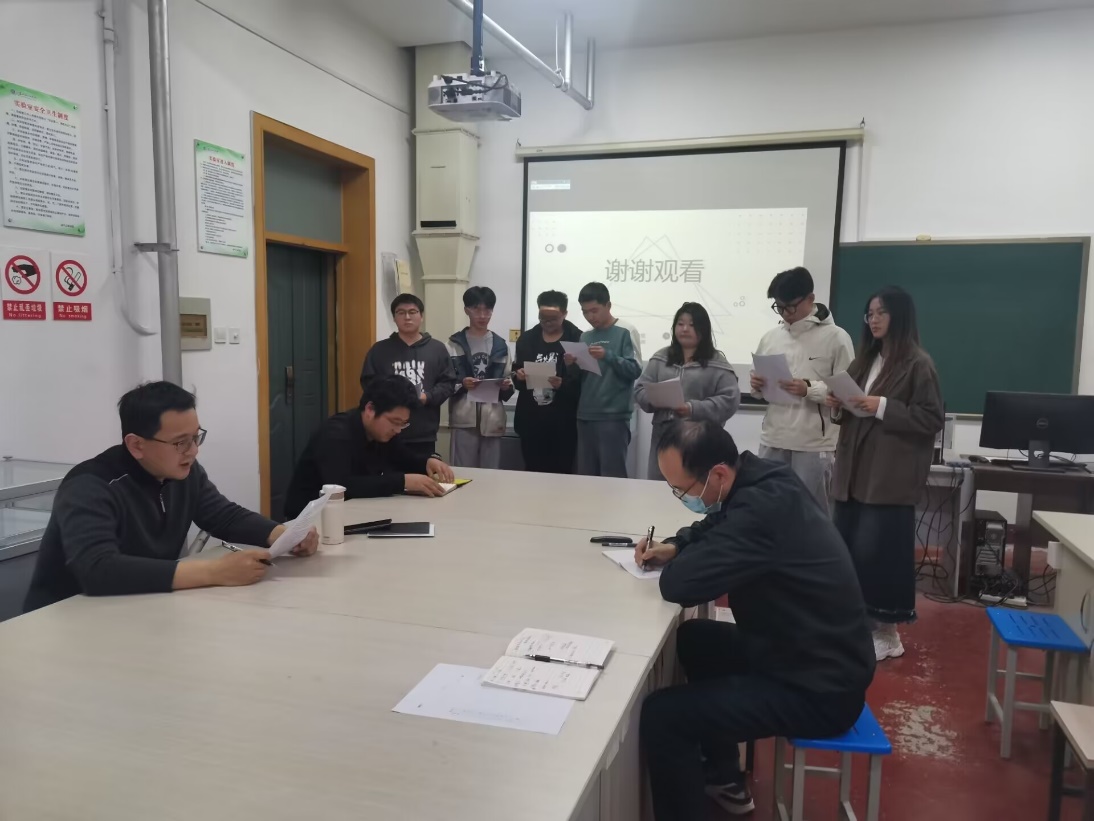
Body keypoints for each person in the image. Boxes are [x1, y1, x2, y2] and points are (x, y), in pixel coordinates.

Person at [635, 420, 874, 820]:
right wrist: (676, 545)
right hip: (804, 652)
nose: (682, 498)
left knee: (664, 717)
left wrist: (680, 562)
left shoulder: (760, 515)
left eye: (683, 490)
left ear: (718, 474)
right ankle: (726, 778)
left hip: (819, 689)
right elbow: (718, 524)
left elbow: (680, 585)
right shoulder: (765, 479)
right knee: (695, 638)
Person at [23, 382, 319, 613]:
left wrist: (284, 535)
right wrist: (214, 571)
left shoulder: (184, 472)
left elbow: (223, 515)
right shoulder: (91, 485)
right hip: (67, 617)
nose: (193, 451)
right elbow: (97, 570)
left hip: (140, 607)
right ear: (136, 445)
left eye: (195, 437)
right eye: (180, 443)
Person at [827, 285, 943, 661]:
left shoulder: (918, 364)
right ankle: (857, 626)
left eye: (881, 313)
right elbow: (850, 408)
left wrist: (881, 406)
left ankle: (888, 633)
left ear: (900, 316)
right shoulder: (865, 360)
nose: (873, 320)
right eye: (870, 314)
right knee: (850, 552)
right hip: (854, 472)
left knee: (880, 555)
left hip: (888, 478)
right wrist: (837, 403)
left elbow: (931, 418)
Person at [749, 267, 855, 508]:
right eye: (779, 307)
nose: (784, 313)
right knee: (769, 510)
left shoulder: (836, 338)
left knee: (811, 514)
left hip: (813, 444)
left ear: (810, 299)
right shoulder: (771, 337)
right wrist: (757, 385)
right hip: (773, 438)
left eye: (790, 307)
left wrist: (808, 389)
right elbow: (759, 387)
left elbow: (849, 393)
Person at [283, 376, 456, 517]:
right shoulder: (336, 433)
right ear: (370, 409)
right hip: (309, 519)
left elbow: (403, 457)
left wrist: (427, 462)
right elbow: (343, 485)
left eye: (403, 423)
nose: (397, 430)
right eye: (395, 422)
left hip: (352, 512)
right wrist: (403, 482)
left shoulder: (382, 432)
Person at [635, 302, 740, 481]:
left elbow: (729, 400)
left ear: (704, 329)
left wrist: (692, 408)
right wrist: (654, 398)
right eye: (680, 324)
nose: (685, 329)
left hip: (700, 439)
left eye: (692, 325)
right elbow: (640, 389)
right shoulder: (660, 358)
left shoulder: (717, 363)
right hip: (664, 436)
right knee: (659, 486)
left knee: (695, 485)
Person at [359, 293, 457, 462]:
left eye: (412, 312)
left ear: (421, 316)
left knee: (421, 474)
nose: (407, 317)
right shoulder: (379, 350)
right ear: (394, 318)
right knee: (387, 474)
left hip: (423, 431)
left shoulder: (437, 349)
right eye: (401, 312)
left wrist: (428, 397)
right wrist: (389, 400)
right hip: (386, 431)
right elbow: (369, 384)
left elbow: (448, 383)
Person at [566, 282, 642, 478]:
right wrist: (571, 364)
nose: (590, 317)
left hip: (613, 416)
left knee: (612, 475)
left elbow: (635, 369)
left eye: (594, 311)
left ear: (608, 305)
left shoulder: (625, 331)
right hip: (585, 415)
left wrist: (608, 356)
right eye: (585, 312)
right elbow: (582, 376)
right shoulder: (585, 336)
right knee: (586, 475)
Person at [512, 290, 584, 474]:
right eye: (543, 318)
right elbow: (516, 373)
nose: (547, 323)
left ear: (564, 314)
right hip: (531, 420)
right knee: (533, 472)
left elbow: (584, 381)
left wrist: (563, 384)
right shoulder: (527, 339)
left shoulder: (577, 338)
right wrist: (519, 376)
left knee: (562, 473)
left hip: (564, 422)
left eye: (553, 319)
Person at [447, 286, 514, 469]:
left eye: (487, 310)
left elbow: (509, 379)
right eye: (476, 309)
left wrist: (506, 386)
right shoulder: (453, 345)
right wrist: (462, 384)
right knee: (462, 471)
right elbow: (445, 382)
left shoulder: (501, 345)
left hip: (492, 417)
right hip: (463, 416)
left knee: (491, 473)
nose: (482, 315)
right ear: (466, 310)